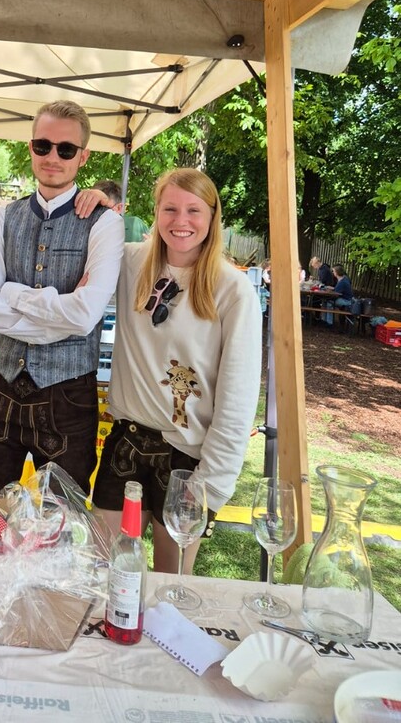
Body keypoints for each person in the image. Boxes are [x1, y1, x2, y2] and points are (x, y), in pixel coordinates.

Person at [77, 167, 262, 572]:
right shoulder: (129, 262)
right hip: (126, 444)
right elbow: (81, 246)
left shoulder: (232, 291)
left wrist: (211, 483)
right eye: (170, 209)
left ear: (212, 216)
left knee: (170, 585)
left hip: (187, 460)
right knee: (102, 572)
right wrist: (98, 207)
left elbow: (238, 398)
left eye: (194, 210)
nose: (181, 221)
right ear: (156, 213)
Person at [0, 100, 125, 495]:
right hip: (0, 385)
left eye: (66, 149)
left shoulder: (105, 222)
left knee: (62, 518)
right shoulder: (3, 217)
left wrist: (11, 292)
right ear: (31, 148)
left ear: (83, 156)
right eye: (43, 146)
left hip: (68, 396)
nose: (53, 157)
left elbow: (85, 316)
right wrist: (58, 319)